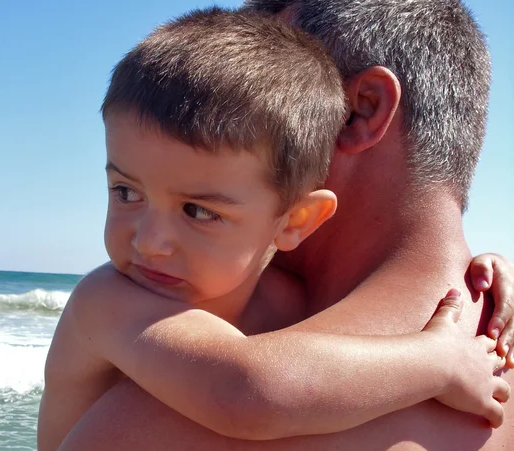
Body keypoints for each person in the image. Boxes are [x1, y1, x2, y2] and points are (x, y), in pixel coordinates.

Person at [36, 8, 509, 451]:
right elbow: (246, 389)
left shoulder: (277, 303)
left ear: (359, 111)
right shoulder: (110, 300)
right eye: (124, 192)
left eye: (198, 210)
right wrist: (436, 362)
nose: (148, 242)